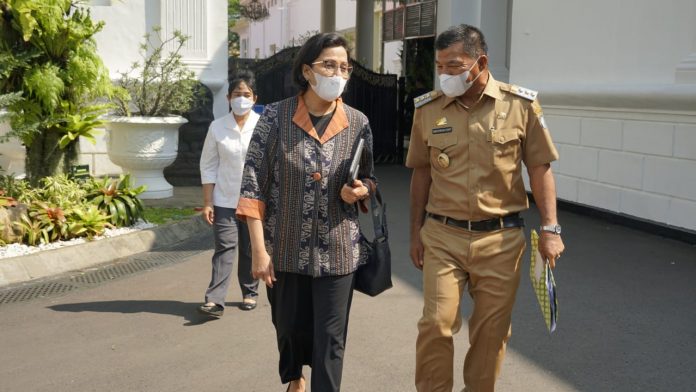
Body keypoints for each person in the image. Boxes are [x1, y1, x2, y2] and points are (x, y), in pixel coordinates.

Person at [406, 24, 566, 392]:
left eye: (454, 65)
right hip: (443, 235)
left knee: (491, 333)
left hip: (501, 240)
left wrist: (551, 228)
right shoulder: (428, 110)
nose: (445, 74)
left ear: (480, 62)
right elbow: (421, 173)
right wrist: (415, 232)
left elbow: (540, 168)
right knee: (435, 322)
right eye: (440, 66)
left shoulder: (519, 106)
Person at [236, 32, 376, 392]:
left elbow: (369, 178)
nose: (338, 73)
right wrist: (259, 251)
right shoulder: (274, 118)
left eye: (344, 67)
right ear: (307, 70)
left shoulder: (358, 122)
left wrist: (360, 190)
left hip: (339, 250)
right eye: (329, 64)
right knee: (289, 328)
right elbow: (253, 184)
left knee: (331, 339)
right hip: (283, 248)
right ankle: (295, 378)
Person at [198, 71, 261, 317]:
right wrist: (207, 202)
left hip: (254, 200)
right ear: (228, 98)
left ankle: (250, 292)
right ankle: (214, 300)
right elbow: (208, 165)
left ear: (254, 98)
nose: (241, 99)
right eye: (237, 94)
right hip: (224, 200)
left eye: (246, 95)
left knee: (249, 248)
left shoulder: (263, 126)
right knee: (224, 247)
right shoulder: (217, 127)